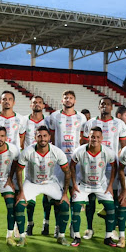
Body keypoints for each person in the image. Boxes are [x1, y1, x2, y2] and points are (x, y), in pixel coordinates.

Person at [80, 97, 126, 239]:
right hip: (93, 167)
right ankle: (89, 228)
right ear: (98, 106)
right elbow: (83, 142)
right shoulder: (90, 123)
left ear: (111, 107)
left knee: (111, 199)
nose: (104, 106)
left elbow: (123, 147)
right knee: (91, 199)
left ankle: (111, 229)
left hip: (111, 167)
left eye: (107, 104)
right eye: (102, 104)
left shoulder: (119, 124)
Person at [15, 126, 71, 246]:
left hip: (50, 182)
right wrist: (21, 191)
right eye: (39, 136)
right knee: (20, 204)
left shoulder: (57, 152)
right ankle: (22, 237)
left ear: (49, 137)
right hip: (32, 182)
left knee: (64, 204)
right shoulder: (28, 151)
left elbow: (67, 172)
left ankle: (61, 236)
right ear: (35, 137)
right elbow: (19, 171)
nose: (42, 139)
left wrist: (65, 194)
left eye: (45, 136)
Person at [45, 90, 86, 238]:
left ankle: (73, 227)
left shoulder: (81, 117)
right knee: (58, 197)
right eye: (65, 97)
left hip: (76, 162)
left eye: (70, 98)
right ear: (62, 100)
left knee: (74, 194)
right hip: (58, 162)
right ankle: (58, 226)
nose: (68, 100)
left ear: (74, 100)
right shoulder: (54, 116)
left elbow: (83, 138)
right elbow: (52, 138)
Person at [70, 127, 118, 247]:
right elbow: (71, 166)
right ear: (88, 137)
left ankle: (108, 237)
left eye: (97, 137)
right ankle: (76, 236)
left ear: (101, 139)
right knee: (75, 207)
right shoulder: (79, 151)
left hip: (101, 185)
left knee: (111, 208)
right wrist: (74, 183)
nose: (94, 139)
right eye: (92, 137)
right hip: (83, 184)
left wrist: (110, 184)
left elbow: (114, 167)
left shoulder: (108, 152)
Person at [0, 91, 26, 237]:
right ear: (0, 101)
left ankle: (15, 226)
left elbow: (21, 139)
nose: (7, 102)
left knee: (14, 195)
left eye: (10, 99)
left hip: (13, 162)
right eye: (4, 99)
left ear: (14, 102)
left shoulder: (20, 119)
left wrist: (15, 153)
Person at [23, 95, 48, 235]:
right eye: (34, 103)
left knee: (48, 194)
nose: (37, 105)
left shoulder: (49, 121)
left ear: (43, 105)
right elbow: (21, 140)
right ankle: (30, 223)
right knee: (30, 194)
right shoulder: (24, 121)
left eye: (39, 102)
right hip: (30, 163)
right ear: (30, 105)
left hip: (47, 162)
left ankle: (46, 224)